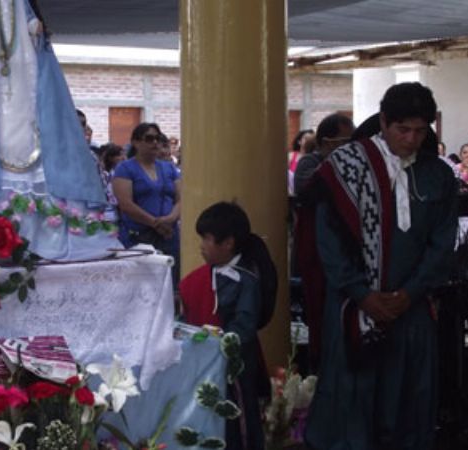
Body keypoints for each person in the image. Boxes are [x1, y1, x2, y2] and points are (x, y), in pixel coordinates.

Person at [304, 82, 457, 449]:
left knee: (410, 405)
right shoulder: (345, 168)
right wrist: (363, 294)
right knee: (354, 408)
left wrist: (409, 294)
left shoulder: (438, 174)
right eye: (403, 129)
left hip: (412, 310)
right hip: (355, 311)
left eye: (420, 131)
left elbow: (442, 245)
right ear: (383, 122)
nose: (411, 139)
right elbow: (329, 243)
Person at [0, 0, 118, 261]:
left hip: (23, 84)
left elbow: (35, 47)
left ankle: (51, 233)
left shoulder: (23, 6)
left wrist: (34, 29)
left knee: (29, 123)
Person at [179, 201, 276, 450]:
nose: (201, 246)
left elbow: (244, 323)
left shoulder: (247, 280)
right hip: (213, 358)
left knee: (239, 419)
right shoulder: (214, 272)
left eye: (206, 239)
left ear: (228, 243)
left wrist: (222, 342)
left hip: (237, 364)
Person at [113, 123, 181, 282]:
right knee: (142, 282)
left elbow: (181, 199)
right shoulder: (125, 168)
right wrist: (155, 223)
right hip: (139, 236)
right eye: (149, 139)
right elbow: (126, 205)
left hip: (169, 234)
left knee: (171, 280)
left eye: (158, 139)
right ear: (136, 142)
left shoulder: (169, 168)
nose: (155, 143)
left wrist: (170, 219)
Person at [293, 113, 355, 197]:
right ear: (327, 142)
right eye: (346, 141)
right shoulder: (308, 162)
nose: (353, 146)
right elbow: (320, 187)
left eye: (355, 141)